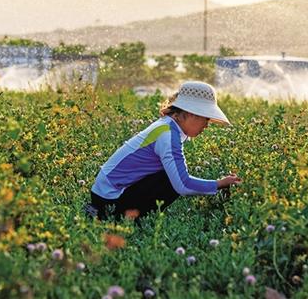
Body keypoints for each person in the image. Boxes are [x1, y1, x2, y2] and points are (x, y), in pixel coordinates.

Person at [89, 81, 242, 220]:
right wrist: (219, 184)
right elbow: (183, 184)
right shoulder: (167, 134)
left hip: (103, 193)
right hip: (109, 200)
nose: (207, 125)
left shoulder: (166, 125)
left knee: (169, 175)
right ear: (190, 114)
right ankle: (123, 220)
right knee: (170, 180)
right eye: (206, 119)